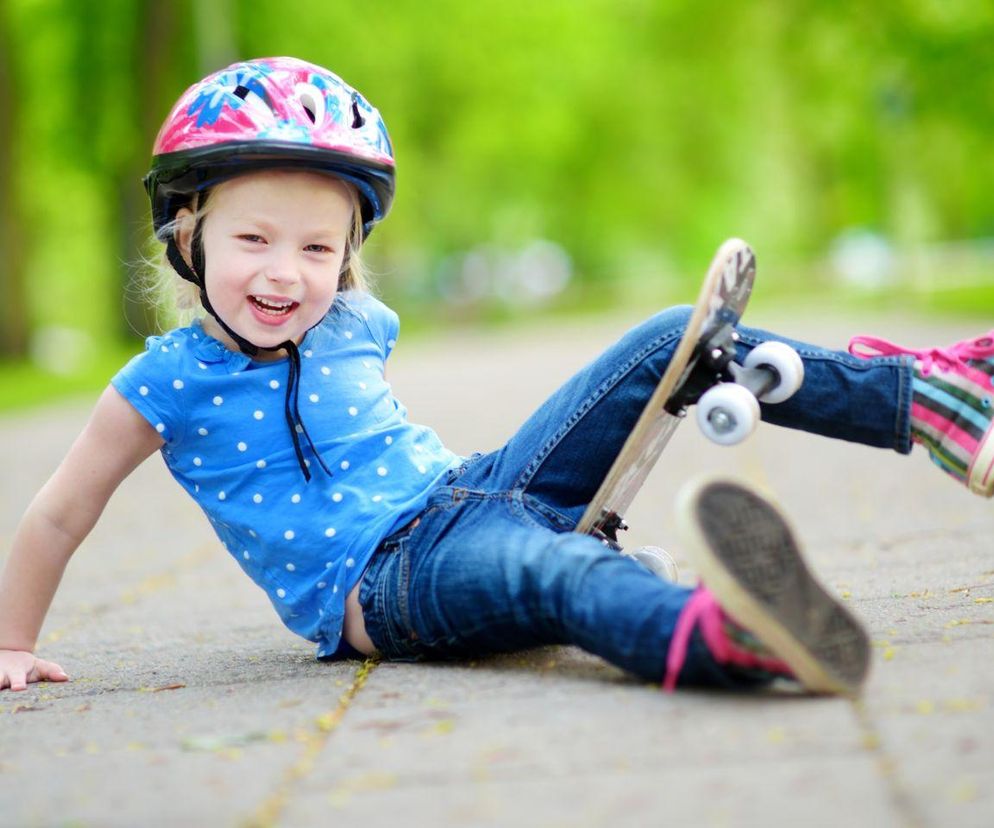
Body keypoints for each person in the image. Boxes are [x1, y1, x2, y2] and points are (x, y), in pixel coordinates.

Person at [1, 57, 991, 697]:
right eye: (252, 237)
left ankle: (932, 403)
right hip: (383, 588)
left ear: (348, 254)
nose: (284, 272)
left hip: (477, 486)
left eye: (315, 246)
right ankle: (719, 635)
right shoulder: (164, 381)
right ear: (188, 233)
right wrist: (10, 644)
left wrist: (501, 495)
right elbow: (58, 513)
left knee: (673, 340)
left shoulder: (353, 322)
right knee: (550, 573)